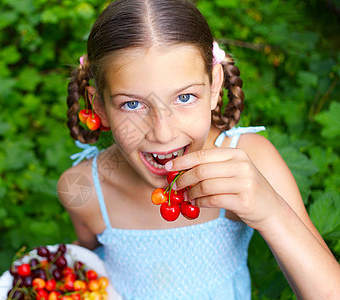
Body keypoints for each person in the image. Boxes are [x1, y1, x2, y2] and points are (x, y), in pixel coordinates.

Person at [58, 0, 340, 299]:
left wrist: (271, 212)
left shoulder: (252, 163)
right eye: (132, 104)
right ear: (98, 106)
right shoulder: (83, 189)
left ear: (215, 86)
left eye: (185, 97)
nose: (163, 133)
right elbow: (86, 262)